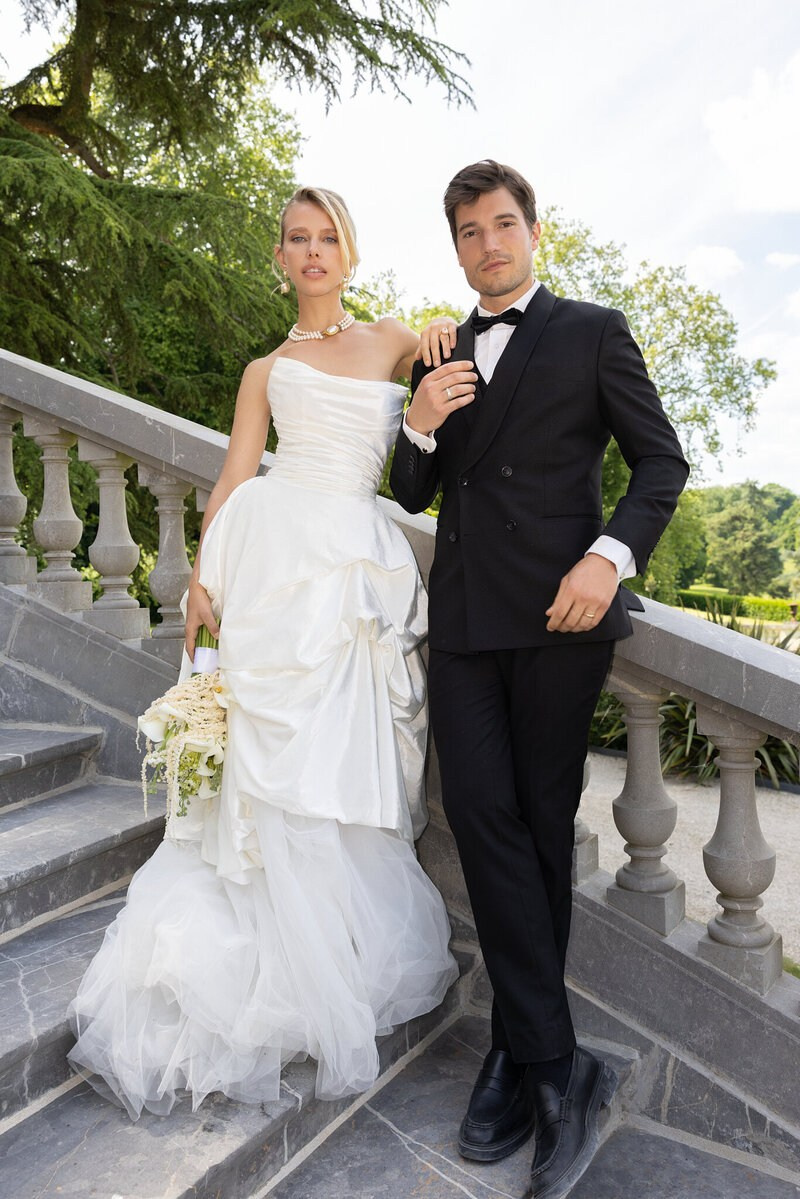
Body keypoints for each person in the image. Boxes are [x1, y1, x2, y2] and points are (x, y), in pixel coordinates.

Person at [67, 186, 458, 1119]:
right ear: (279, 259)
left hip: (353, 567)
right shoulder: (264, 367)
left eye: (328, 238)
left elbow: (449, 354)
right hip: (277, 565)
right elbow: (237, 473)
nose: (313, 252)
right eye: (297, 239)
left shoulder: (399, 338)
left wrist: (440, 323)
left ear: (351, 255)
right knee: (270, 766)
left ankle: (340, 956)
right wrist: (204, 575)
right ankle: (271, 956)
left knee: (342, 761)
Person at [390, 160, 689, 1199]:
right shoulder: (438, 350)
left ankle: (513, 1055)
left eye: (502, 224)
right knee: (479, 814)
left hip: (562, 618)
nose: (487, 243)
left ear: (531, 229)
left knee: (534, 816)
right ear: (455, 245)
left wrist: (606, 557)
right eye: (468, 231)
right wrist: (418, 416)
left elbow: (660, 463)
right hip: (467, 621)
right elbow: (413, 485)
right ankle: (554, 1060)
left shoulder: (592, 329)